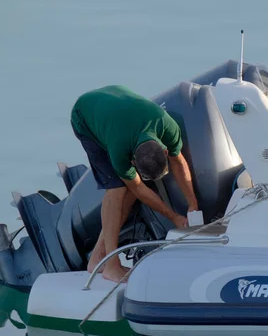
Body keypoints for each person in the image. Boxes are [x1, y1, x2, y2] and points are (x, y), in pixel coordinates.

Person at [70, 85, 199, 282]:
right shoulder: (119, 149)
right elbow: (137, 188)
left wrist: (193, 204)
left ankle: (97, 256)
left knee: (127, 190)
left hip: (117, 104)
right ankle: (111, 266)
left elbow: (179, 161)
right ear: (132, 162)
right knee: (118, 190)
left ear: (164, 150)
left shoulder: (167, 125)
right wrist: (173, 216)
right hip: (86, 115)